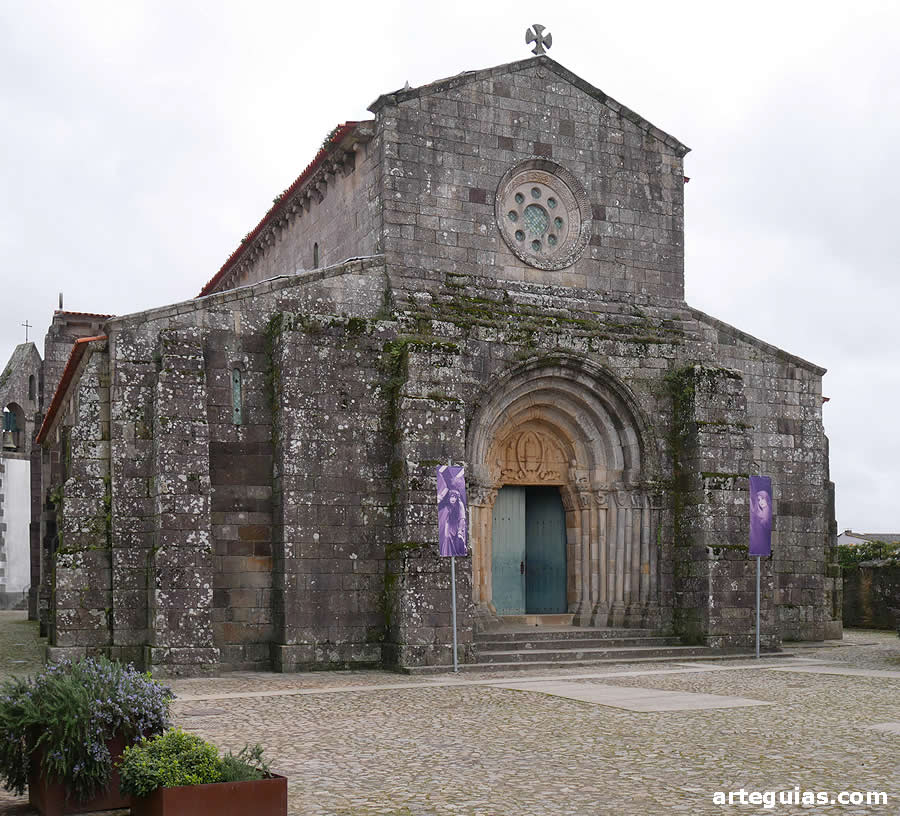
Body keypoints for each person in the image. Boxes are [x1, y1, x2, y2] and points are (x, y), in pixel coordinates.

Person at [437, 466, 467, 557]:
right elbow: (440, 503)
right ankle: (448, 554)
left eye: (454, 497)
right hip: (449, 523)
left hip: (457, 525)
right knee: (447, 538)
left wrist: (460, 532)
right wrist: (441, 496)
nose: (453, 499)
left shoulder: (460, 504)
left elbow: (462, 519)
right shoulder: (448, 501)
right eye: (451, 497)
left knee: (457, 542)